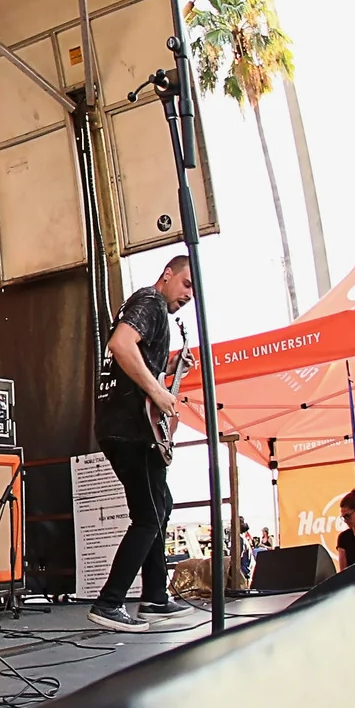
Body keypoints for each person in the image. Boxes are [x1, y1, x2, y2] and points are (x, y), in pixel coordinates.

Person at [88, 257, 200, 632]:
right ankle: (110, 602)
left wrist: (168, 371)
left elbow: (131, 362)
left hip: (121, 424)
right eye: (186, 284)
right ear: (167, 275)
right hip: (132, 427)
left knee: (160, 505)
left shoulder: (147, 307)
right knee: (149, 514)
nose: (189, 295)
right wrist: (159, 390)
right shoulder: (151, 302)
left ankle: (154, 596)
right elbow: (121, 344)